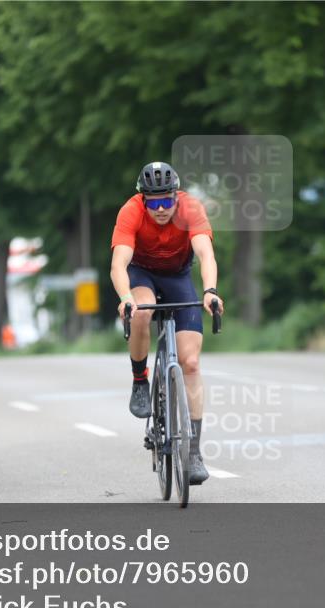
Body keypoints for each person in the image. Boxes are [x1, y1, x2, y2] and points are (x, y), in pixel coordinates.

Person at [110, 161, 224, 485]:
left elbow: (206, 254)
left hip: (177, 276)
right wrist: (125, 297)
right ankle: (139, 381)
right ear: (143, 200)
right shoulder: (131, 212)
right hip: (141, 273)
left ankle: (195, 452)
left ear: (177, 196)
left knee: (190, 363)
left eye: (166, 201)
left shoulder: (190, 208)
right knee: (143, 310)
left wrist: (211, 291)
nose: (161, 208)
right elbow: (119, 263)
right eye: (153, 202)